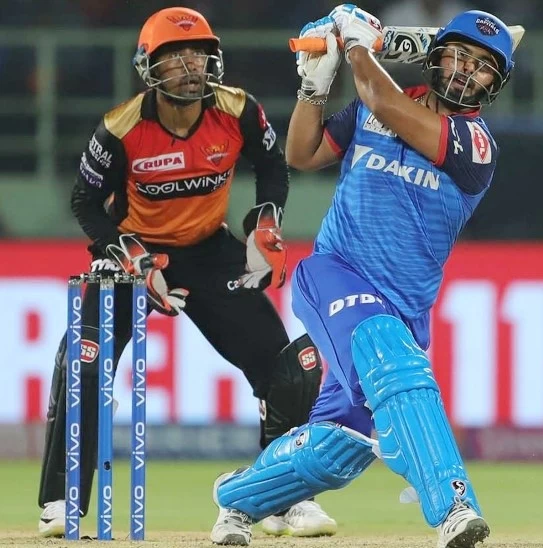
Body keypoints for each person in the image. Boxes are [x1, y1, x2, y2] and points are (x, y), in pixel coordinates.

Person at [212, 4, 520, 547]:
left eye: (482, 66)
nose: (467, 71)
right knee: (392, 361)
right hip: (335, 273)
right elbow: (302, 153)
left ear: (494, 85)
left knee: (339, 447)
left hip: (403, 308)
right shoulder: (372, 106)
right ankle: (453, 506)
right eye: (459, 56)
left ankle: (237, 499)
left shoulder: (475, 145)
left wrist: (355, 45)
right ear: (435, 57)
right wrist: (314, 88)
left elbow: (382, 98)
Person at [36, 6, 336, 543]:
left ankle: (281, 497)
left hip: (208, 251)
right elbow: (84, 202)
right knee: (82, 361)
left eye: (198, 55)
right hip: (134, 256)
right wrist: (127, 253)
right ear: (149, 67)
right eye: (175, 58)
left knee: (286, 369)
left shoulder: (238, 110)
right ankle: (63, 501)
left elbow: (272, 166)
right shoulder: (121, 127)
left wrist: (266, 221)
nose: (190, 66)